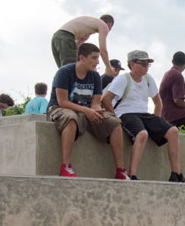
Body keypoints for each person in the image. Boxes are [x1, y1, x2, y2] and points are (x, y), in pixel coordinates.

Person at [47, 42, 127, 179]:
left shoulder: (95, 76)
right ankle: (66, 167)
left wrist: (97, 111)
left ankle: (121, 170)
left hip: (85, 111)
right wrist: (87, 110)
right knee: (71, 118)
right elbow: (62, 102)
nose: (97, 62)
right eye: (94, 58)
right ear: (82, 58)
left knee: (115, 123)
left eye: (98, 58)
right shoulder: (65, 72)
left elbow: (95, 103)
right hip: (60, 109)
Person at [102, 50, 185, 182]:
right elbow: (106, 99)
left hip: (144, 114)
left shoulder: (148, 79)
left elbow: (158, 102)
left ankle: (176, 173)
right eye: (143, 64)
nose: (146, 67)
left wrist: (156, 122)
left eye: (148, 64)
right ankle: (133, 174)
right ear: (132, 64)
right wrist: (115, 117)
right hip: (126, 113)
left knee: (173, 131)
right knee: (142, 134)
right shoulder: (123, 79)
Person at [51, 14, 118, 77]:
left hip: (56, 38)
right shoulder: (103, 25)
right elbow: (103, 50)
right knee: (71, 72)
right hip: (66, 37)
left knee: (63, 71)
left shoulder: (86, 32)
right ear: (110, 25)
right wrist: (108, 68)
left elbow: (75, 50)